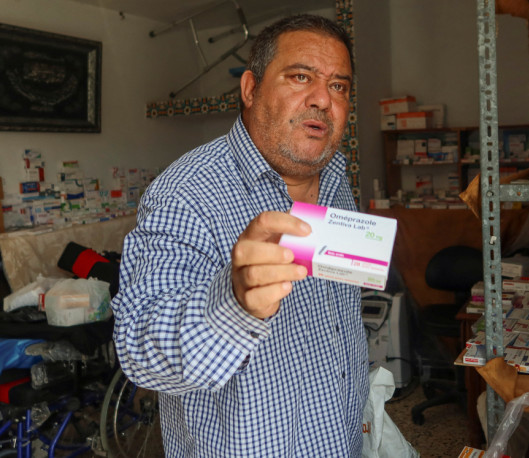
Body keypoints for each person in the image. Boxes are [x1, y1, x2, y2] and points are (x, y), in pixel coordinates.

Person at [111, 14, 368, 457]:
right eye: (300, 77)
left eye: (339, 86)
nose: (323, 100)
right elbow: (139, 354)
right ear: (250, 90)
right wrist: (230, 301)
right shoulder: (186, 193)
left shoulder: (337, 177)